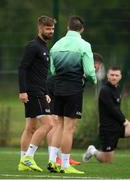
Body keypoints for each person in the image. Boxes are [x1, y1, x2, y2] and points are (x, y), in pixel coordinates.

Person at [47, 16, 97, 174]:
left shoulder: (56, 45)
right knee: (69, 128)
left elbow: (53, 70)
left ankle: (52, 161)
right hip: (73, 88)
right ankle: (65, 165)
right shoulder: (84, 45)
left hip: (57, 87)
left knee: (59, 125)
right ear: (82, 29)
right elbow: (89, 72)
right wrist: (93, 79)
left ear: (68, 27)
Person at [18, 15, 56, 172]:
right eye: (48, 28)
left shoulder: (44, 47)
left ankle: (22, 162)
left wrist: (46, 91)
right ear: (40, 28)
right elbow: (22, 68)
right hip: (33, 92)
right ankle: (28, 157)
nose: (51, 31)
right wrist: (22, 91)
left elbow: (40, 73)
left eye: (52, 28)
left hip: (40, 91)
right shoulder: (33, 46)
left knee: (31, 127)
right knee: (49, 124)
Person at [83, 66, 130, 163]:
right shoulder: (105, 90)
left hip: (118, 125)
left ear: (120, 77)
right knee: (107, 160)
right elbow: (112, 109)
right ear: (107, 76)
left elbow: (117, 109)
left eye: (116, 75)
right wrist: (124, 121)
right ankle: (93, 151)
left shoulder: (117, 89)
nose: (114, 77)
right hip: (108, 129)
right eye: (112, 75)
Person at [46, 75, 81, 166]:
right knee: (56, 124)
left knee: (67, 125)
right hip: (58, 86)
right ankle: (55, 158)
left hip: (64, 86)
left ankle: (63, 157)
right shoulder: (84, 67)